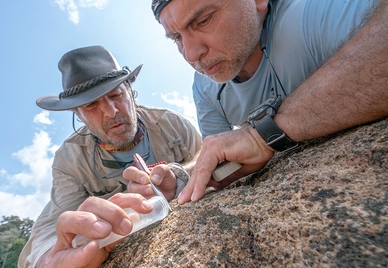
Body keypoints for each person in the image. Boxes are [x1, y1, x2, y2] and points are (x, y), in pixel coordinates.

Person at [127, 0, 387, 204]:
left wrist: (264, 134)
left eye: (204, 20)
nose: (192, 54)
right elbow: (220, 158)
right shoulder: (205, 86)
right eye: (177, 38)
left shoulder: (308, 14)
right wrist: (182, 177)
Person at [18, 45, 202, 268]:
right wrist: (47, 264)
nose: (111, 112)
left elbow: (208, 164)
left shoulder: (172, 125)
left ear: (131, 92)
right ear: (78, 115)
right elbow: (55, 223)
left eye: (116, 95)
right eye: (91, 106)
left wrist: (179, 178)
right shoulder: (69, 160)